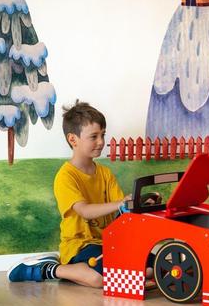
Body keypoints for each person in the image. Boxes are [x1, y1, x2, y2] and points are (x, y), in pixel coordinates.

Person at [7, 101, 128, 287]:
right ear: (73, 140)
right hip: (80, 245)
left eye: (103, 135)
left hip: (106, 243)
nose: (101, 142)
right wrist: (120, 204)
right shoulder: (65, 176)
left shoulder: (105, 174)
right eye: (94, 136)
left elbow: (121, 210)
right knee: (101, 279)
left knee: (151, 266)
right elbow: (84, 211)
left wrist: (136, 203)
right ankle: (47, 269)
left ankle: (83, 271)